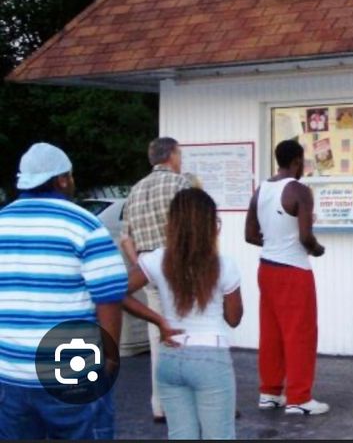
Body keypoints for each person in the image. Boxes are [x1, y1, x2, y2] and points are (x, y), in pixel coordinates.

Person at [0, 142, 128, 439]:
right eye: (70, 176)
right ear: (61, 179)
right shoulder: (83, 224)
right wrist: (109, 358)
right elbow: (108, 296)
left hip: (10, 373)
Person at [123, 188, 242, 439]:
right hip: (211, 357)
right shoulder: (224, 265)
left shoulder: (157, 260)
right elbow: (234, 318)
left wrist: (159, 320)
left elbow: (115, 292)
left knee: (180, 435)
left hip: (170, 355)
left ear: (173, 223)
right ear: (211, 225)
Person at [244, 139, 328, 415]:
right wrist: (317, 250)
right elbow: (305, 237)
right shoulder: (299, 190)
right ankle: (299, 398)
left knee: (271, 333)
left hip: (266, 267)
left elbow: (250, 235)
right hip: (294, 270)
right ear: (296, 162)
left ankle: (269, 392)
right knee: (300, 334)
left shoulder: (261, 189)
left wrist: (275, 243)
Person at [120, 137, 193, 423]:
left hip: (148, 270)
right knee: (187, 332)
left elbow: (126, 237)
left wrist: (140, 263)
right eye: (179, 154)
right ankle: (187, 400)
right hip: (178, 267)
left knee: (157, 335)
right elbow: (191, 226)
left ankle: (160, 404)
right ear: (172, 155)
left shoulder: (135, 190)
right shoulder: (180, 184)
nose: (181, 160)